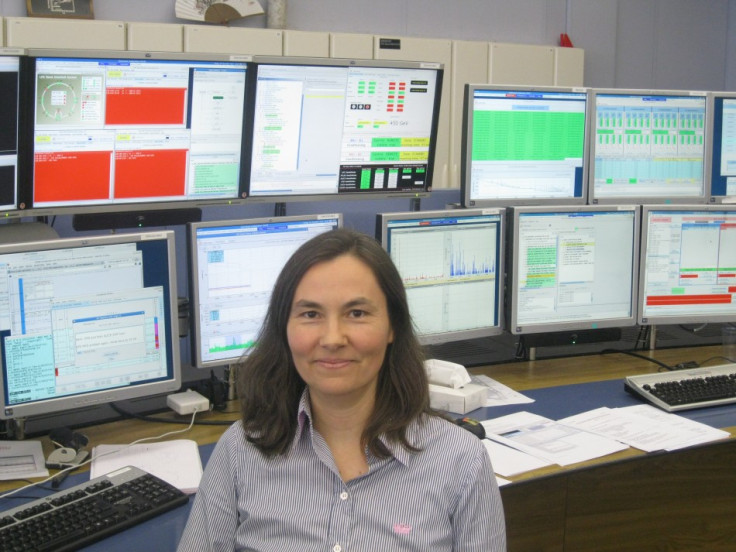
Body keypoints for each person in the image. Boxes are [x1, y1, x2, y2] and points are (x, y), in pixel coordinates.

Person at [177, 228, 506, 552]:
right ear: (285, 328)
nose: (332, 338)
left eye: (357, 313)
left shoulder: (462, 462)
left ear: (393, 325)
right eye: (310, 314)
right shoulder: (240, 452)